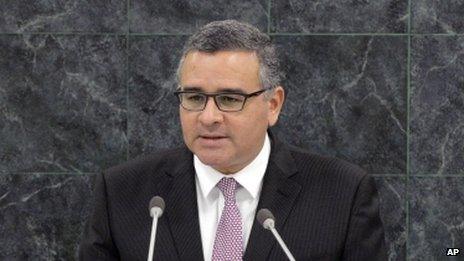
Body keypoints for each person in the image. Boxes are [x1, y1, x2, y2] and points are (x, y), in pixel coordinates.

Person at [79, 20, 387, 261]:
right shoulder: (121, 193)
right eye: (195, 97)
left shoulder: (343, 194)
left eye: (229, 99)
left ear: (273, 104)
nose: (208, 116)